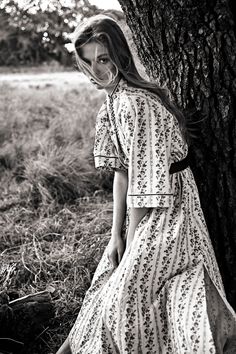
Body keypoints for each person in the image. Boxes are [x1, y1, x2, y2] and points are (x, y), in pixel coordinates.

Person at [56, 14, 236, 354]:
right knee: (107, 278)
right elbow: (123, 174)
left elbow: (147, 181)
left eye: (104, 59)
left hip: (171, 207)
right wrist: (116, 233)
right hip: (144, 202)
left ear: (120, 55)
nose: (96, 71)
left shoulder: (137, 103)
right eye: (88, 62)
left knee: (126, 289)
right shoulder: (112, 102)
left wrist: (135, 240)